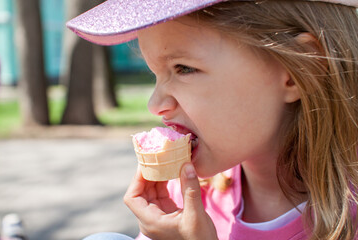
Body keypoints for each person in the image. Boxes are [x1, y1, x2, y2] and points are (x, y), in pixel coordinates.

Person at [67, 0, 358, 239]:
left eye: (183, 69)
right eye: (154, 73)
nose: (154, 105)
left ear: (299, 69)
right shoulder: (188, 196)